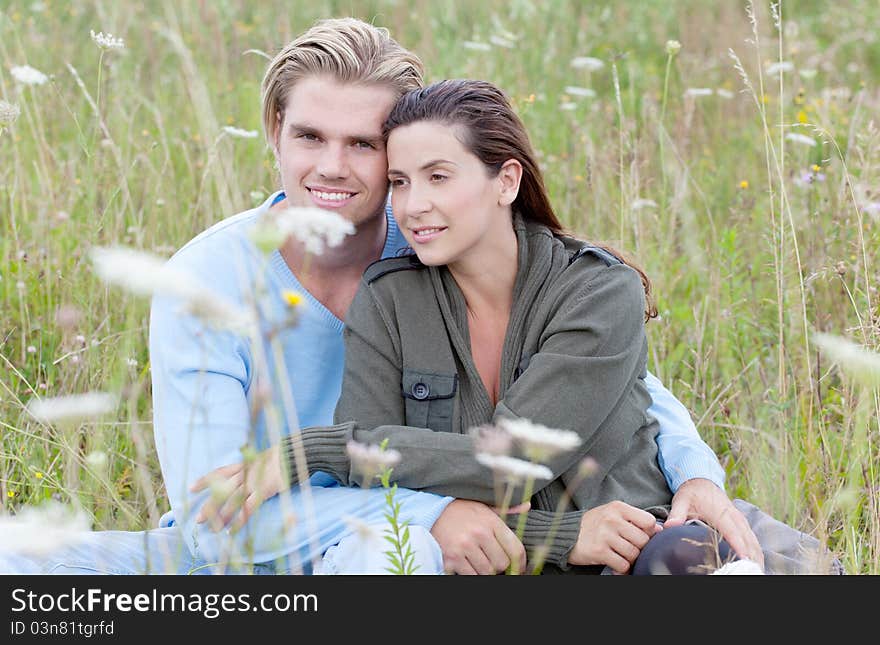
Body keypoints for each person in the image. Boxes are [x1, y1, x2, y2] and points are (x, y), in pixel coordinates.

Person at [0, 18, 770, 576]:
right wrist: (436, 516)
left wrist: (696, 470)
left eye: (364, 145)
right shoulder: (205, 281)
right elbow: (213, 526)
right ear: (274, 130)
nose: (331, 168)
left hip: (415, 545)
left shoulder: (429, 243)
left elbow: (609, 377)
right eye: (308, 137)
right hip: (264, 549)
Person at [196, 77, 838, 575]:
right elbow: (376, 483)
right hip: (502, 564)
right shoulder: (388, 299)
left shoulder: (597, 290)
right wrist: (558, 538)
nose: (413, 205)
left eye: (439, 178)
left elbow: (514, 463)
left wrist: (314, 451)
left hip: (654, 553)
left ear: (505, 180)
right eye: (399, 181)